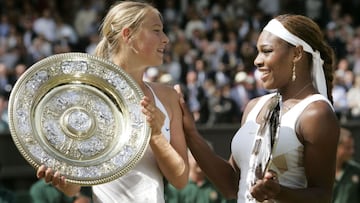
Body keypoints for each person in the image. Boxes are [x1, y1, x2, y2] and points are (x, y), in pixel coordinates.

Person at [175, 14, 340, 203]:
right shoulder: (254, 106)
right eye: (258, 52)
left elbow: (322, 196)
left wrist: (278, 192)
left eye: (267, 51)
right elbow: (231, 184)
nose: (257, 61)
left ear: (297, 54)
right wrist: (190, 133)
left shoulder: (315, 113)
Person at [36, 1, 189, 203]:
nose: (166, 39)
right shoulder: (86, 96)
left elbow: (180, 180)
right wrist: (62, 180)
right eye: (156, 31)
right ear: (128, 35)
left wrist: (156, 135)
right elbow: (74, 187)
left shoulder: (168, 97)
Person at [332, 128, 360, 203]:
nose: (352, 151)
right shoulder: (318, 173)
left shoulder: (356, 171)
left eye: (352, 147)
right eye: (348, 148)